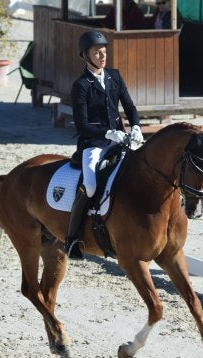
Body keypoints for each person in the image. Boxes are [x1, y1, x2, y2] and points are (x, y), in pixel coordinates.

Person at [64, 30, 143, 260]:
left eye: (104, 50)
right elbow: (82, 124)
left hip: (122, 139)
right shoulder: (81, 85)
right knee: (89, 185)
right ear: (85, 55)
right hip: (94, 144)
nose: (102, 55)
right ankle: (72, 238)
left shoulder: (114, 77)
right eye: (97, 52)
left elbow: (130, 107)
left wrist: (136, 126)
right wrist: (108, 133)